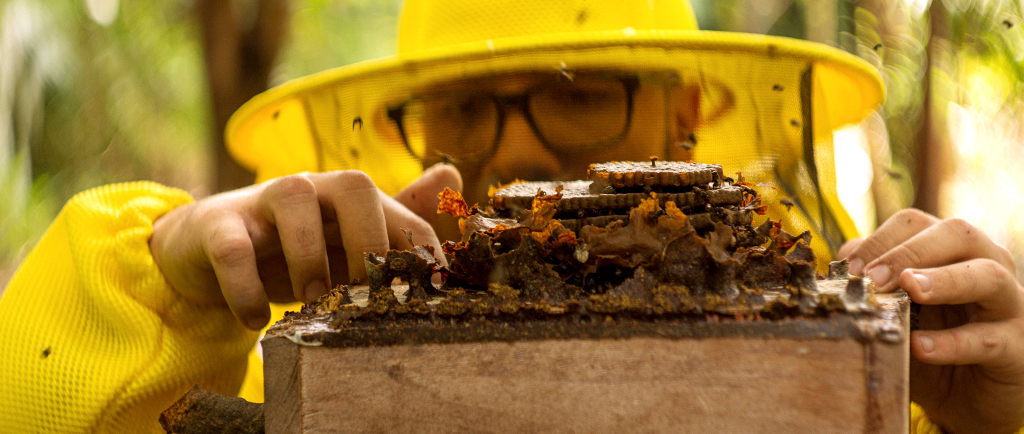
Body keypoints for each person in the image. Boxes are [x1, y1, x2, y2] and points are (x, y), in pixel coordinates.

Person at [0, 0, 1021, 433]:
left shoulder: (869, 372)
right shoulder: (314, 365)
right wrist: (156, 286)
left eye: (578, 92)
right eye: (466, 111)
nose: (523, 150)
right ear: (411, 133)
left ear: (685, 113)